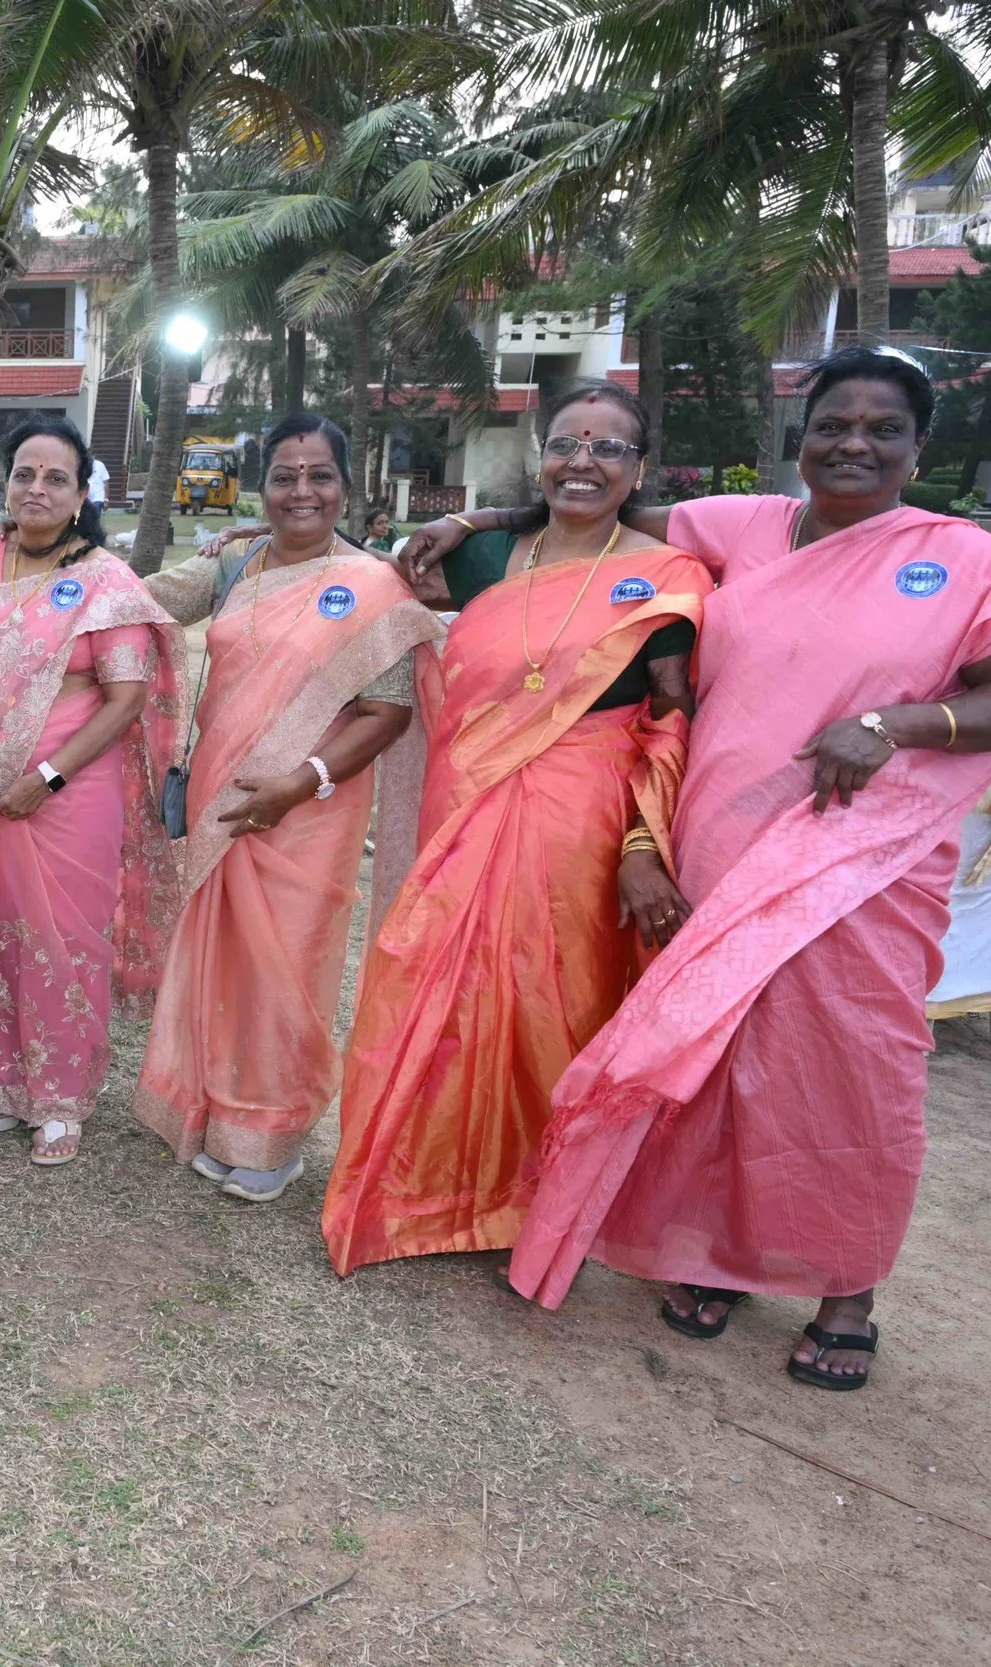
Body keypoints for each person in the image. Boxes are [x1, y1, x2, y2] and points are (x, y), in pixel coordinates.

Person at [400, 347, 991, 1389]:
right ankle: (715, 1256)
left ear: (918, 447)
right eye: (833, 424)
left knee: (853, 1071)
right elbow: (601, 502)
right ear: (802, 436)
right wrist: (473, 520)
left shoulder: (962, 557)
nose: (853, 444)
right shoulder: (745, 525)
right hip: (718, 842)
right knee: (712, 1065)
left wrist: (896, 724)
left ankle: (846, 1290)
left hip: (857, 860)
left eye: (882, 429)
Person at [324, 382, 710, 1272]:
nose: (583, 462)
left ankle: (530, 1199)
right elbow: (376, 575)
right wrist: (471, 520)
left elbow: (670, 715)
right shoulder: (485, 554)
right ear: (542, 455)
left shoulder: (667, 572)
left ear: (639, 468)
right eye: (566, 443)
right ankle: (421, 1192)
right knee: (436, 981)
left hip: (585, 819)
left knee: (553, 1001)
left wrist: (644, 844)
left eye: (609, 448)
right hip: (468, 799)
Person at [130, 417, 440, 1203]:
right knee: (224, 960)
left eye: (320, 475)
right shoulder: (234, 562)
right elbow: (140, 603)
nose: (302, 490)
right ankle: (216, 1113)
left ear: (346, 488)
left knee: (286, 970)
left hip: (309, 812)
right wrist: (59, 559)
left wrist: (299, 783)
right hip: (225, 801)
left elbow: (388, 713)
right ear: (261, 488)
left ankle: (273, 1136)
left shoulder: (374, 586)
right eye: (284, 475)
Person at [0, 416, 183, 1165]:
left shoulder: (105, 582)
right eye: (24, 473)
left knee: (64, 940)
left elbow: (124, 700)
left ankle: (59, 1097)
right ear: (6, 482)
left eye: (57, 478)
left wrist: (46, 778)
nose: (37, 488)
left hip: (70, 793)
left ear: (82, 495)